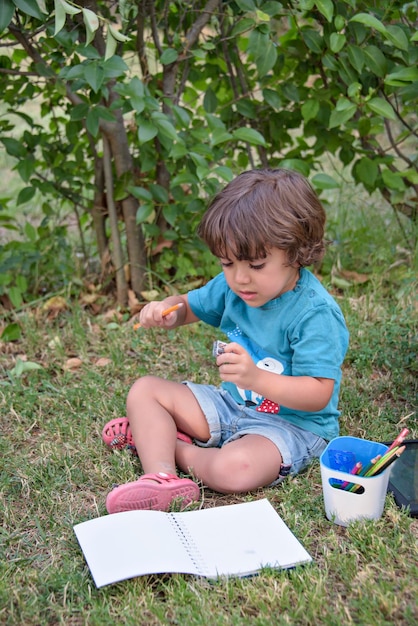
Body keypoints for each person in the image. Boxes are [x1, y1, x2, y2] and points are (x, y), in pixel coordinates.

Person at [102, 168, 349, 514]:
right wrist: (168, 310)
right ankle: (160, 477)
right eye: (227, 263)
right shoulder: (233, 285)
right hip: (230, 406)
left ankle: (167, 444)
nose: (240, 278)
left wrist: (256, 379)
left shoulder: (314, 314)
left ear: (296, 253)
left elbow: (318, 393)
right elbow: (189, 305)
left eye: (257, 265)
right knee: (145, 390)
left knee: (233, 471)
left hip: (292, 427)